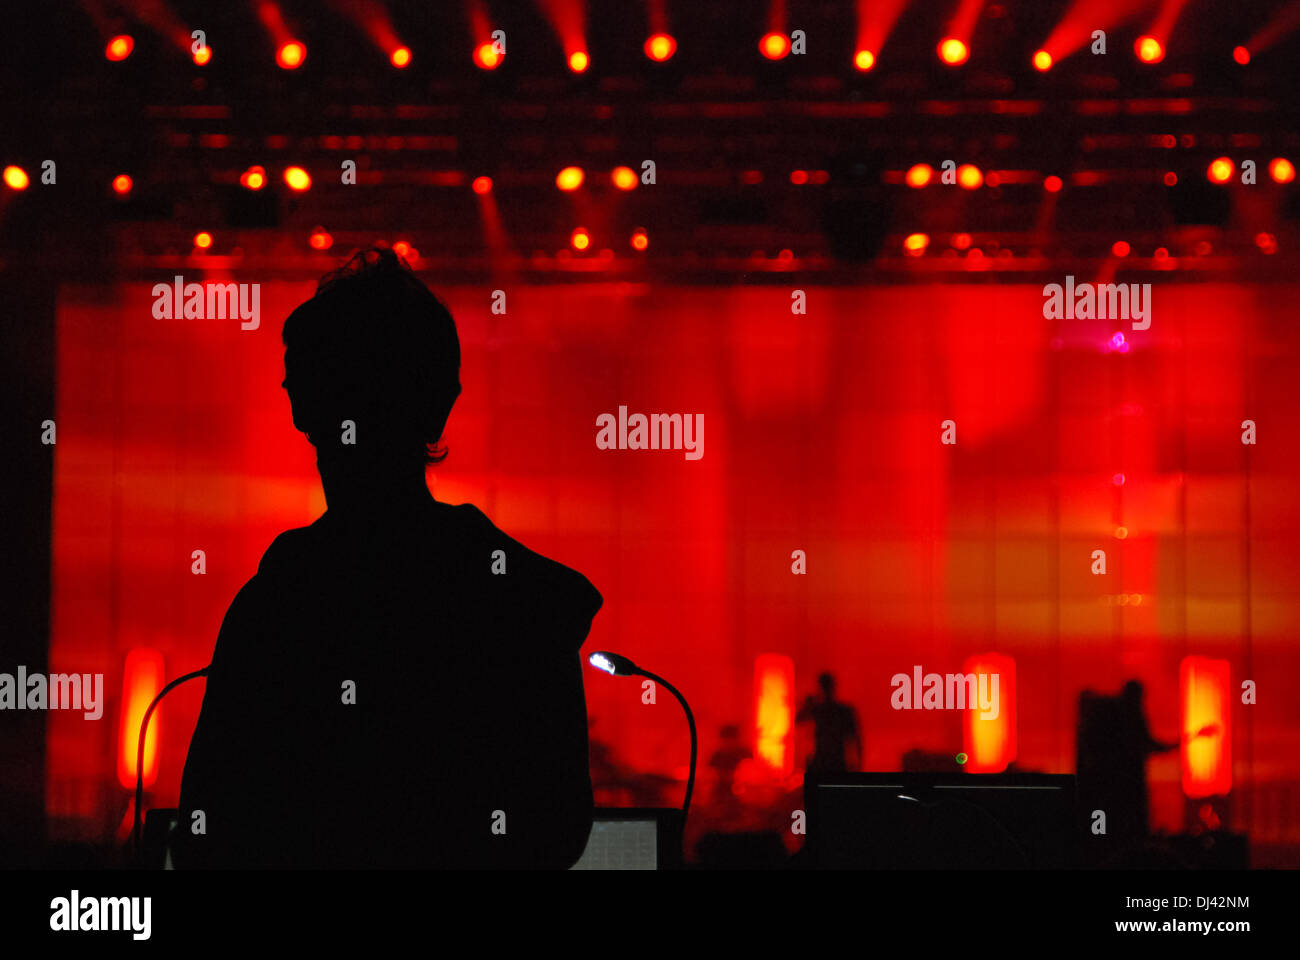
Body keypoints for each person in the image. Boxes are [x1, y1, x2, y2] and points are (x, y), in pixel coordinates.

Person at [173, 247, 601, 868]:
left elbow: (209, 836)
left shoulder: (279, 605)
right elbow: (555, 832)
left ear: (302, 402)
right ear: (442, 398)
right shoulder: (527, 600)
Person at [796, 672, 862, 775]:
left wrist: (807, 704)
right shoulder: (842, 711)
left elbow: (798, 719)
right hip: (834, 763)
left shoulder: (819, 710)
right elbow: (856, 739)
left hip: (825, 763)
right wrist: (858, 764)